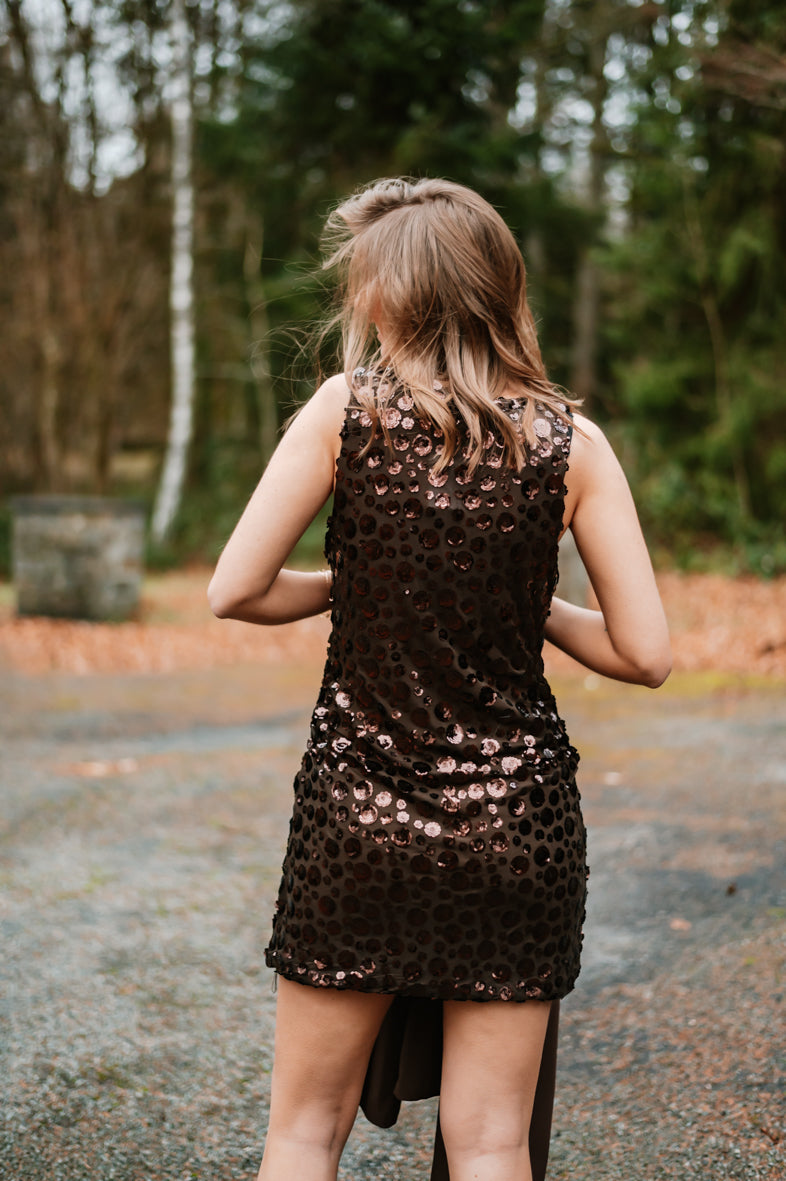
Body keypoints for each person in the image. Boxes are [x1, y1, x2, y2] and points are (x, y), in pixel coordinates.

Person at [208, 176, 671, 1181]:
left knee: (304, 1131)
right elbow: (646, 654)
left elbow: (234, 589)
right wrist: (528, 602)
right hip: (517, 826)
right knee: (493, 1141)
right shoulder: (572, 441)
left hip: (358, 819)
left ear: (392, 293)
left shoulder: (345, 410)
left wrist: (359, 582)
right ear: (498, 288)